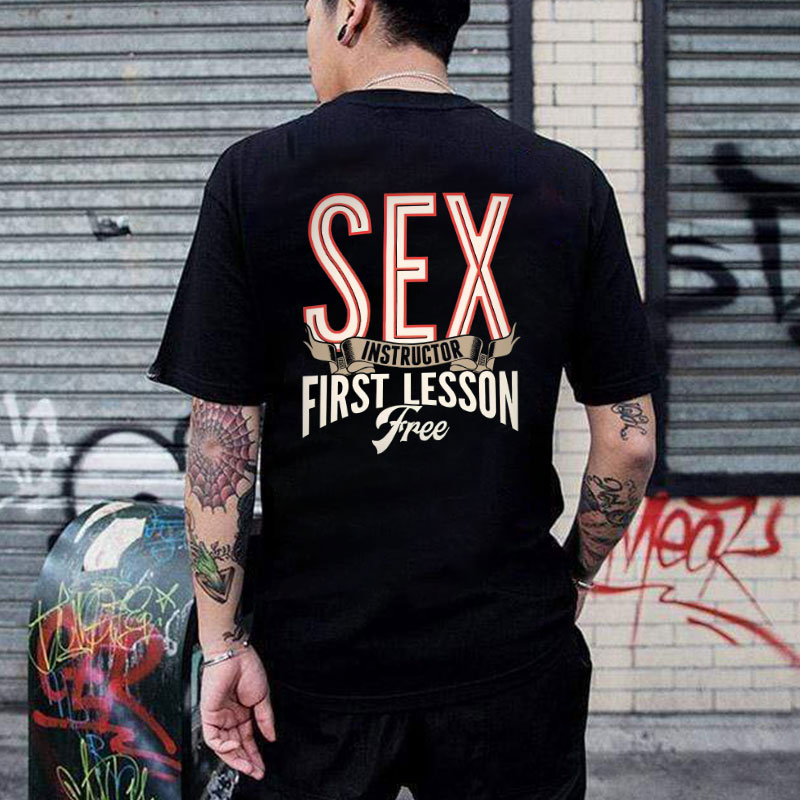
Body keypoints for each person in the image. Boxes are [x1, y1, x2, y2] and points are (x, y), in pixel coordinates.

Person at [145, 0, 661, 797]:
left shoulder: (254, 177)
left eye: (310, 13)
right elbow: (630, 441)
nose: (308, 39)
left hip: (317, 670)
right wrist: (576, 576)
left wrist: (222, 647)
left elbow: (221, 445)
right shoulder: (568, 184)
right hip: (511, 653)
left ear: (351, 10)